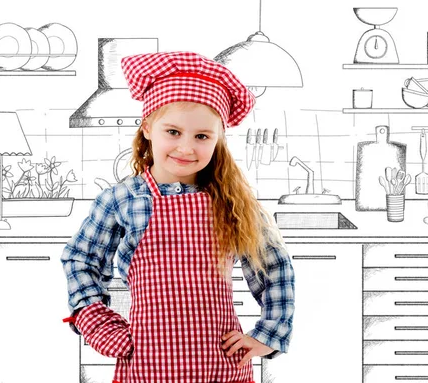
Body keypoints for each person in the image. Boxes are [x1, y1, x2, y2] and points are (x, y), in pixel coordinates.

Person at [60, 51, 295, 383]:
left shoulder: (233, 202)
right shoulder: (122, 199)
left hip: (221, 365)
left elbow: (273, 266)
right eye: (173, 132)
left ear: (217, 140)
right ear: (148, 128)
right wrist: (97, 322)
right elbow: (81, 259)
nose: (186, 148)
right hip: (145, 365)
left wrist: (267, 334)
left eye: (201, 136)